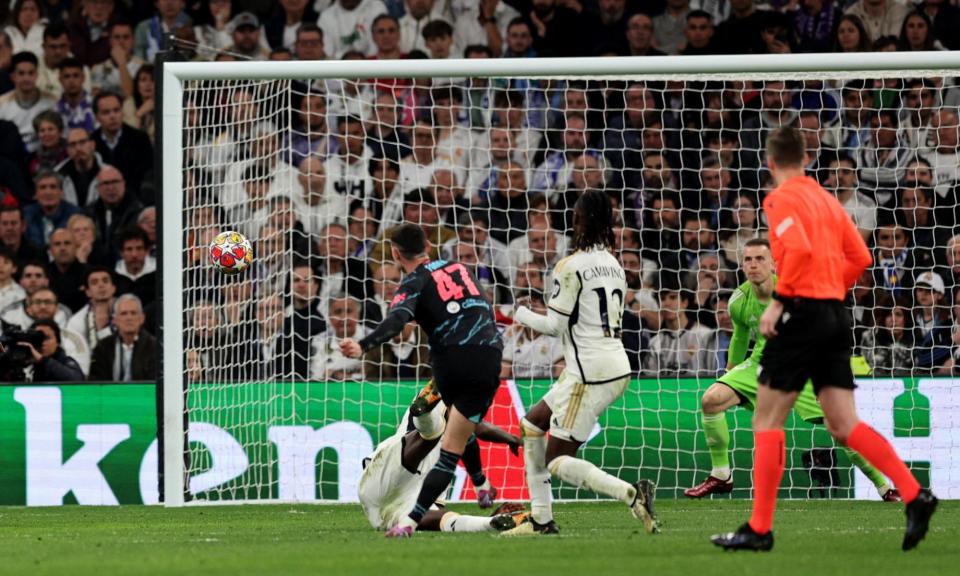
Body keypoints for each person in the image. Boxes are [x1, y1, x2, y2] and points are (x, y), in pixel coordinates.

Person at [711, 126, 936, 552]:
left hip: (802, 314)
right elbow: (861, 258)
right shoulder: (827, 200)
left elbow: (797, 250)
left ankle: (760, 528)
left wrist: (780, 303)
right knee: (844, 424)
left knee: (766, 420)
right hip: (835, 314)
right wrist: (830, 290)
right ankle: (914, 494)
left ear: (771, 162)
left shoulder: (780, 199)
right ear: (807, 159)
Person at [685, 239, 899, 502]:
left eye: (760, 259)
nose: (753, 265)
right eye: (748, 260)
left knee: (841, 428)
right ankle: (721, 475)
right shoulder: (739, 300)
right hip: (762, 365)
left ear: (773, 263)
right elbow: (740, 339)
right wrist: (730, 378)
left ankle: (884, 487)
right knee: (711, 400)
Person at [505, 190, 658, 536]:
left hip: (588, 373)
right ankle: (541, 519)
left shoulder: (570, 266)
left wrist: (520, 313)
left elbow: (555, 326)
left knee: (557, 459)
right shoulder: (614, 264)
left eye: (575, 215)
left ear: (579, 221)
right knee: (532, 424)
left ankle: (631, 493)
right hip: (612, 364)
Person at [339, 223, 503, 538]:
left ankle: (465, 489)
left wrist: (362, 345)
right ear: (428, 244)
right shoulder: (461, 267)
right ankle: (481, 485)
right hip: (491, 354)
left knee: (450, 444)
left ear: (397, 253)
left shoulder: (414, 281)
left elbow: (397, 320)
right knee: (462, 420)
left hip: (452, 360)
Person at [359, 381, 526, 533]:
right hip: (397, 468)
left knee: (429, 518)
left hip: (389, 508)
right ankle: (423, 415)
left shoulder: (462, 425)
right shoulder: (447, 402)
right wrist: (512, 439)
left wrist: (511, 439)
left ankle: (489, 523)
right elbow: (477, 427)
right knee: (431, 432)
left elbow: (476, 426)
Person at [88, 293, 156, 382]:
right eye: (124, 313)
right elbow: (95, 381)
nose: (129, 318)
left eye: (133, 313)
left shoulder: (154, 347)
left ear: (142, 318)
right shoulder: (102, 347)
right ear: (114, 320)